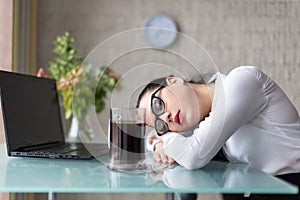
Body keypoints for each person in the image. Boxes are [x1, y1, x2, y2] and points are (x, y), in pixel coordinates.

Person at [136, 66, 300, 199]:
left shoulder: (242, 81)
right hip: (265, 190)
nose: (167, 118)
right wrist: (158, 143)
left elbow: (194, 156)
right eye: (161, 125)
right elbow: (146, 141)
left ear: (174, 81)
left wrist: (164, 140)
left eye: (158, 105)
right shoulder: (201, 123)